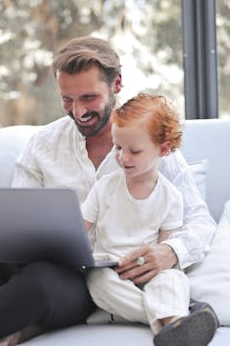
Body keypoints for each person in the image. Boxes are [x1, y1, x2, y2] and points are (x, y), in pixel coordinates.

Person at [0, 36, 217, 346]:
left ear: (116, 85)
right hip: (30, 265)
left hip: (86, 283)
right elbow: (19, 217)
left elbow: (201, 223)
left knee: (41, 283)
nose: (78, 112)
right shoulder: (44, 143)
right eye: (67, 99)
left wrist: (170, 251)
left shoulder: (149, 146)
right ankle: (20, 312)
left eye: (89, 98)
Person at [82, 93, 217, 346]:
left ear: (163, 149)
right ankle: (175, 320)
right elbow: (80, 228)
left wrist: (157, 272)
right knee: (95, 281)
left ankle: (163, 319)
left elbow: (164, 248)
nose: (123, 157)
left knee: (173, 278)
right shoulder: (104, 187)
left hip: (149, 272)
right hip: (113, 271)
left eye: (134, 151)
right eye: (118, 147)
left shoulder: (171, 196)